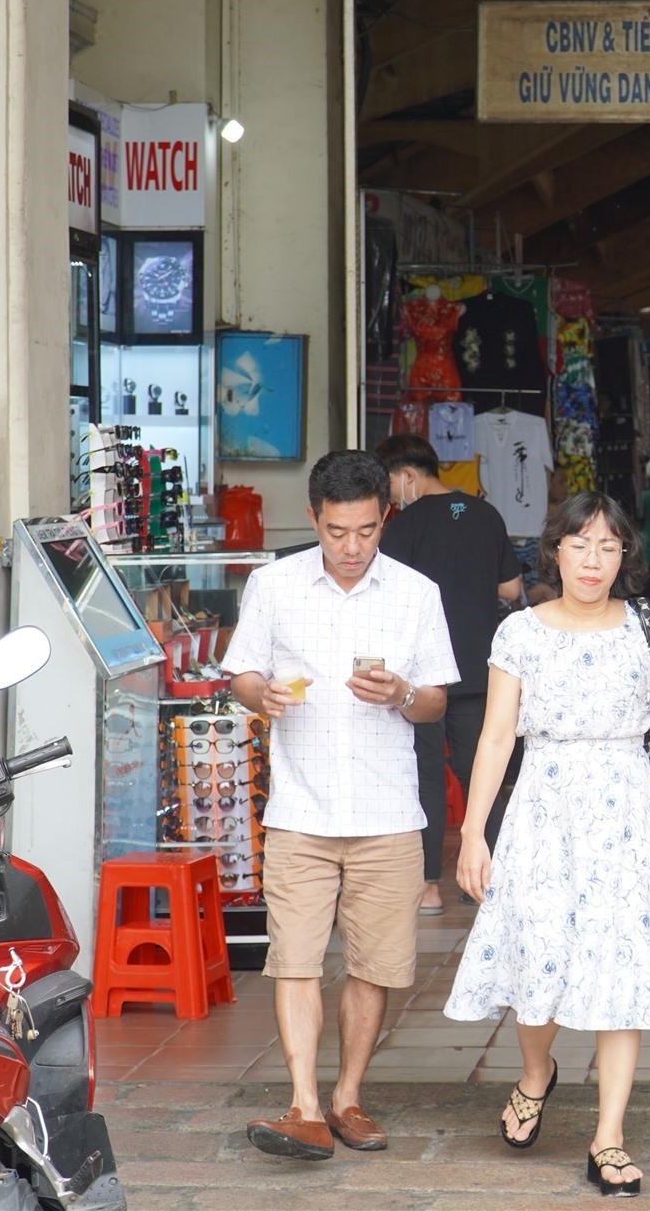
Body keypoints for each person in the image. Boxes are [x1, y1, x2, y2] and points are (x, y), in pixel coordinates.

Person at [446, 492, 650, 1198]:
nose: (593, 559)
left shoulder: (649, 626)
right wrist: (475, 831)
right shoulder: (521, 633)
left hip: (627, 812)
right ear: (555, 552)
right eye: (579, 544)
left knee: (619, 972)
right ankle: (537, 1072)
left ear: (626, 555)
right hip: (543, 809)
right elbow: (497, 736)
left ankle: (609, 1138)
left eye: (607, 546)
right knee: (539, 962)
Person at [221, 450, 461, 1161]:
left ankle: (348, 1097)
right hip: (300, 811)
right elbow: (242, 672)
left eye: (365, 531)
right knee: (293, 961)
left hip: (388, 816)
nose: (352, 548)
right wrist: (256, 695)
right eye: (336, 532)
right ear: (314, 521)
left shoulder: (415, 593)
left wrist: (402, 696)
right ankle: (302, 1104)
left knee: (375, 967)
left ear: (384, 516)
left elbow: (436, 701)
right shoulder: (273, 585)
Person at [375, 433, 525, 914]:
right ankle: (494, 879)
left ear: (409, 477)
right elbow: (511, 586)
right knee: (482, 774)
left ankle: (429, 889)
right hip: (480, 670)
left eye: (392, 486)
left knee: (426, 777)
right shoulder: (486, 513)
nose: (391, 497)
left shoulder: (405, 524)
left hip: (421, 677)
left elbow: (385, 593)